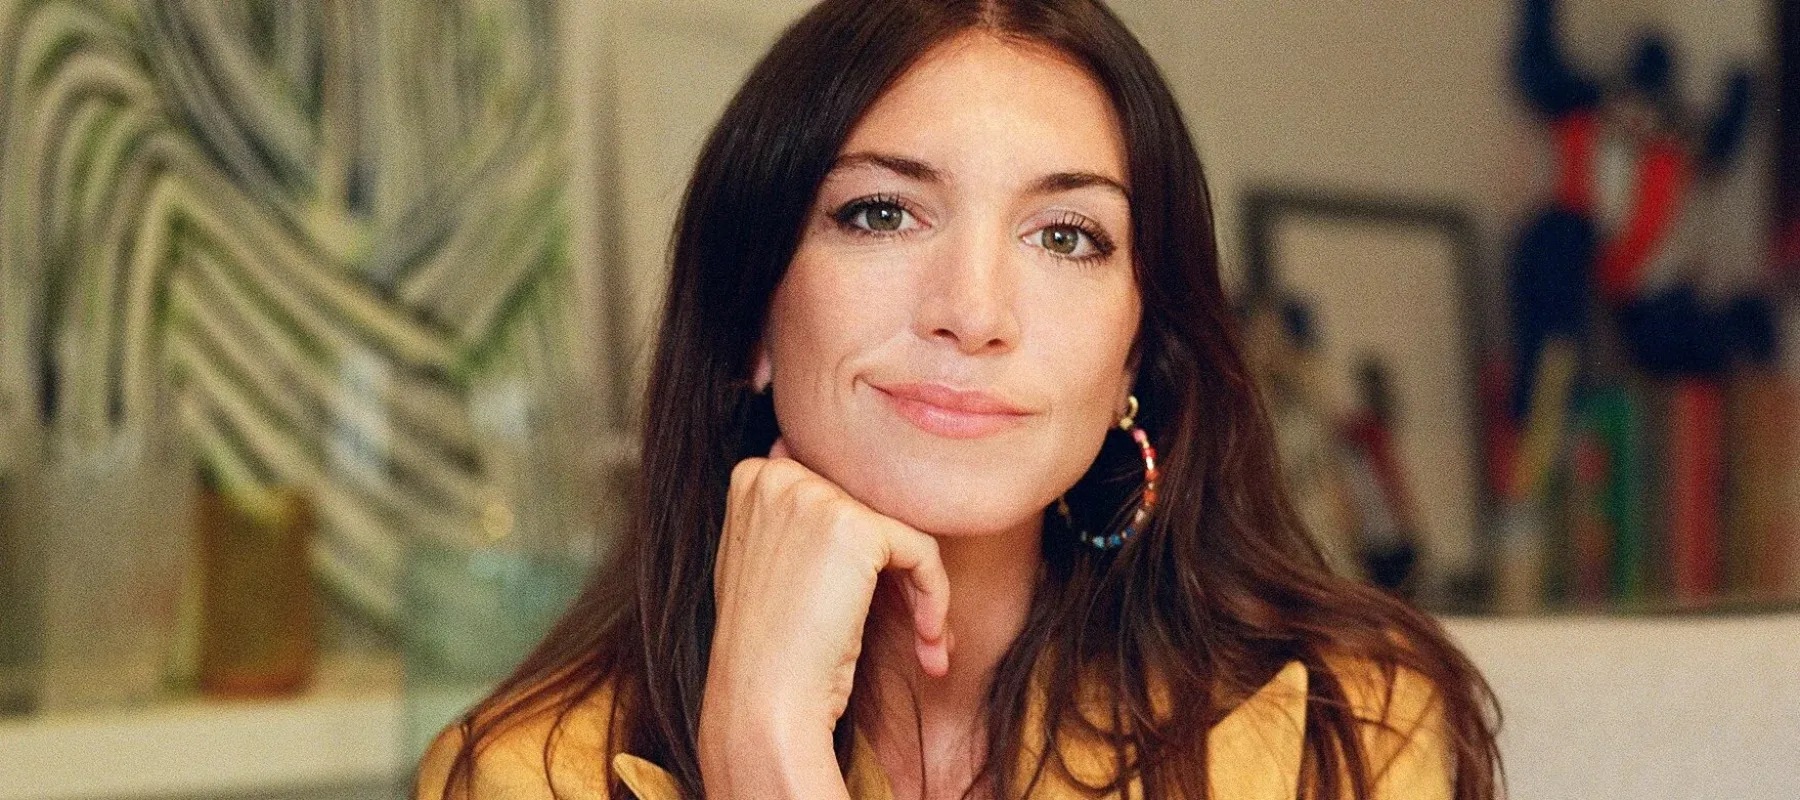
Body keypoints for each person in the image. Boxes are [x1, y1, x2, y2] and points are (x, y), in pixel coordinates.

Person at [416, 1, 1502, 798]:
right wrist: (761, 730)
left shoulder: (1345, 732)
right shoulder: (524, 772)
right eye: (884, 213)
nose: (974, 310)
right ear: (753, 313)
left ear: (1136, 351)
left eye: (1067, 235)